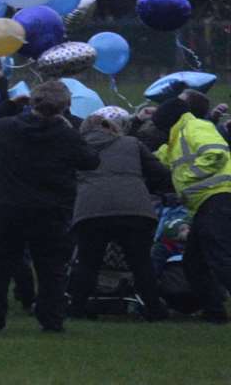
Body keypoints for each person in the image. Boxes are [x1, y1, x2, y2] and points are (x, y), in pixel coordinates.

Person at [0, 80, 97, 332]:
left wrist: (9, 104)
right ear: (64, 107)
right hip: (51, 210)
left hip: (9, 206)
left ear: (32, 102)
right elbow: (90, 160)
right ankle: (51, 318)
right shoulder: (66, 135)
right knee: (51, 268)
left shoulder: (8, 127)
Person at [68, 111, 169, 320]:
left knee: (87, 262)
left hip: (91, 209)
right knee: (140, 262)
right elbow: (159, 172)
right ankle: (154, 308)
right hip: (134, 208)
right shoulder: (132, 144)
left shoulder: (76, 149)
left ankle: (77, 308)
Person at [152, 95, 231, 322]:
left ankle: (215, 312)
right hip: (206, 204)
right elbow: (160, 157)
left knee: (221, 259)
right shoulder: (177, 138)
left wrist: (188, 177)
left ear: (169, 122)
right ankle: (214, 313)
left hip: (218, 198)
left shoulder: (196, 127)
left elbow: (215, 153)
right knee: (194, 263)